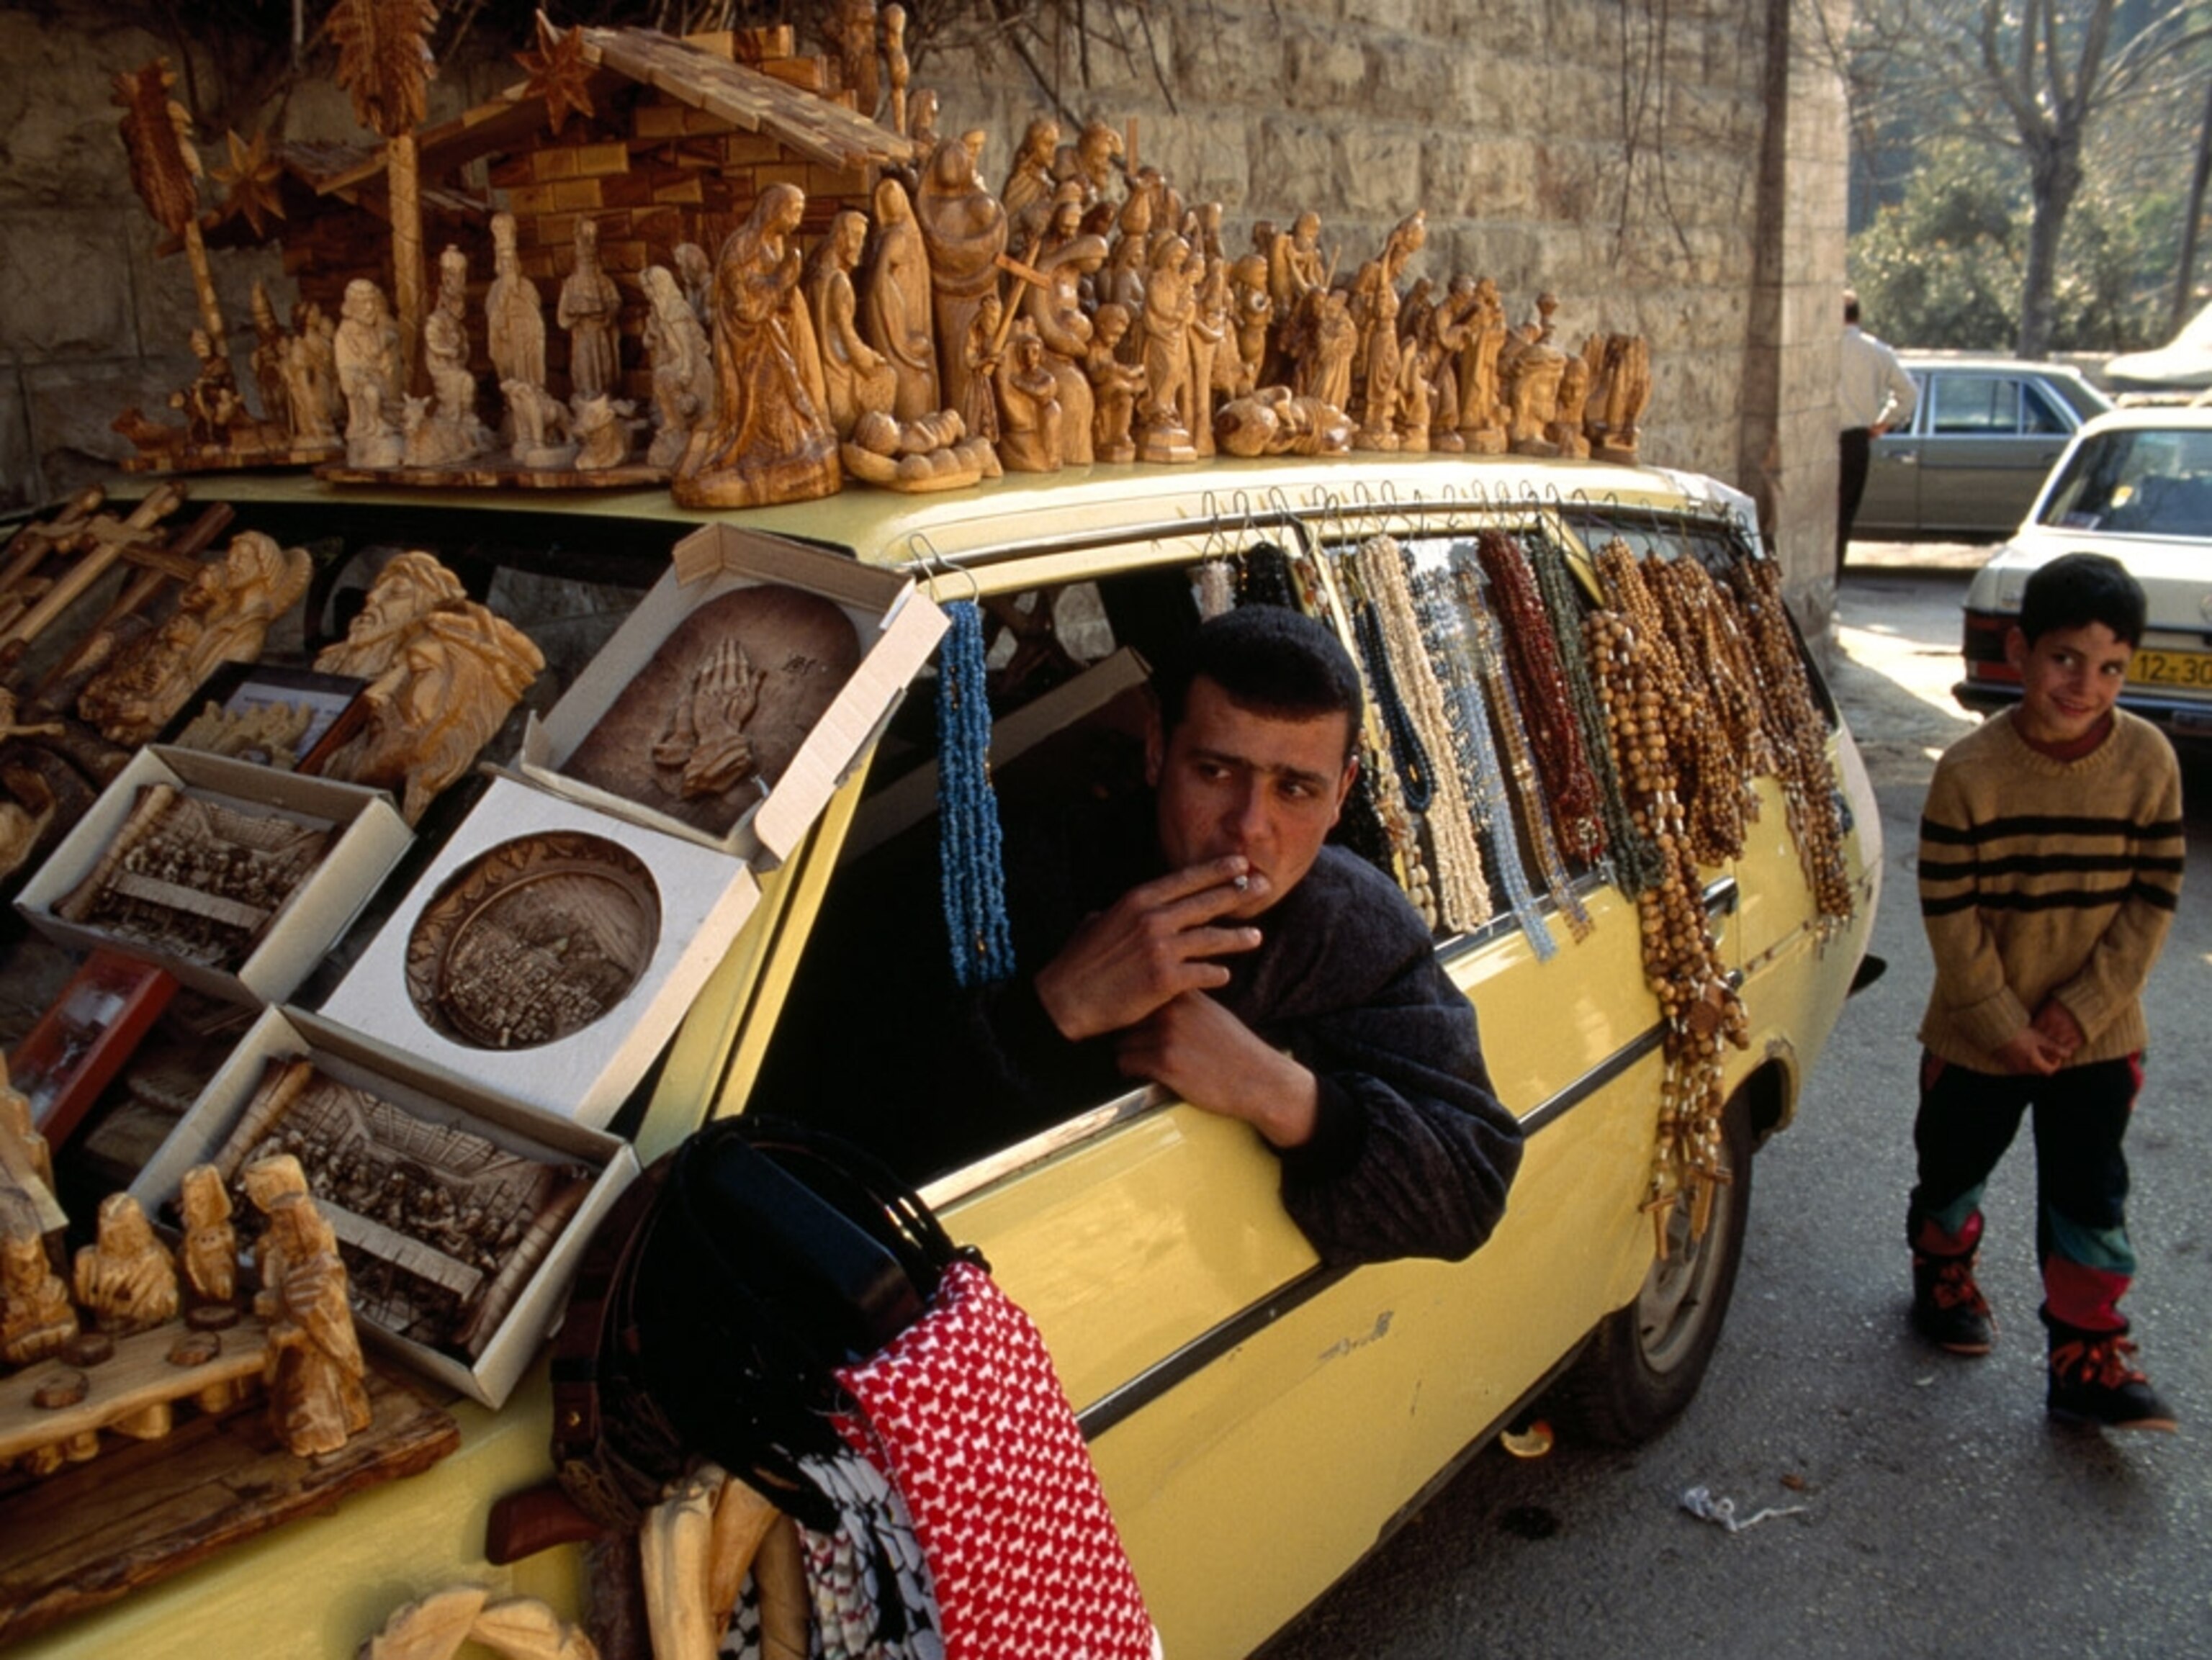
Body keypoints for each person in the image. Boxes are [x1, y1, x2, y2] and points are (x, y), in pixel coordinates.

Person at [942, 605, 1524, 1266]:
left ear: (1342, 794)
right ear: (1158, 749)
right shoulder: (1003, 876)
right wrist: (1049, 1014)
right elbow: (858, 1143)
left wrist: (1279, 1092)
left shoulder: (1356, 925)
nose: (1250, 826)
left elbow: (1468, 1193)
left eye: (1296, 789)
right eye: (1216, 773)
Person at [1907, 552, 2184, 1431]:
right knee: (1952, 1169)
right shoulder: (1969, 770)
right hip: (1977, 1034)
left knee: (2089, 1192)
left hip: (2095, 1039)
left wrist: (2079, 1012)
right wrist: (2001, 1021)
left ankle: (2086, 1351)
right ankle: (1943, 1267)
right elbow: (1950, 913)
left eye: (2111, 667)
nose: (2086, 684)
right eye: (2067, 658)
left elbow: (2151, 901)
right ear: (2021, 648)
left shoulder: (2149, 762)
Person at [1837, 289, 1917, 579]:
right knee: (1843, 517)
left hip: (1818, 441)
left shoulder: (1820, 347)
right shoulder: (1877, 352)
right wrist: (1884, 422)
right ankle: (1833, 582)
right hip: (1854, 441)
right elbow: (1908, 393)